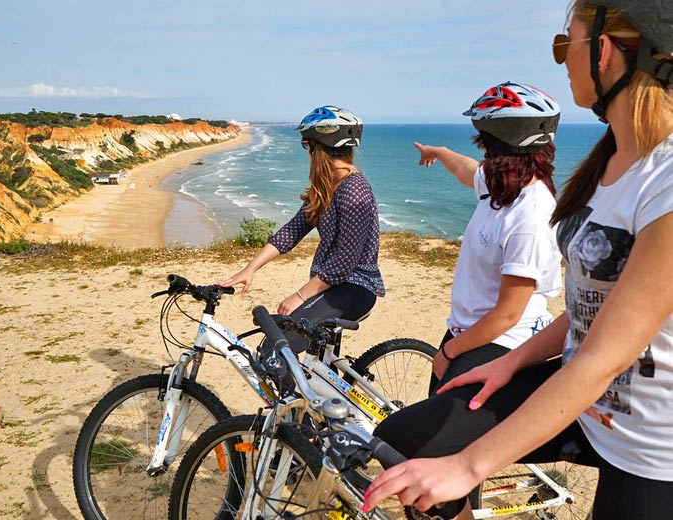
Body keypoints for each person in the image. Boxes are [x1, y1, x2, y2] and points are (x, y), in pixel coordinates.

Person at [364, 2, 673, 519]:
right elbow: (588, 309)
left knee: (447, 465)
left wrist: (467, 467)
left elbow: (608, 355)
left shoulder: (662, 181)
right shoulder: (610, 163)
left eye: (563, 45)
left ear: (601, 52)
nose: (561, 61)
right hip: (582, 402)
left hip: (647, 443)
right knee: (405, 438)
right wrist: (512, 362)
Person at [414, 82, 563, 392]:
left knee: (425, 437)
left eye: (485, 144)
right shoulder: (505, 184)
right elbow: (468, 171)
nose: (481, 151)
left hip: (501, 342)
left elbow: (507, 314)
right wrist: (439, 152)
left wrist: (448, 352)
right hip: (467, 332)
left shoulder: (530, 218)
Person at [220, 105, 385, 353]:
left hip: (354, 287)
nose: (306, 151)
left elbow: (345, 261)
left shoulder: (354, 191)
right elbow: (292, 231)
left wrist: (300, 295)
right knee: (316, 363)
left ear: (317, 148)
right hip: (331, 286)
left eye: (306, 144)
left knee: (275, 350)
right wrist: (250, 269)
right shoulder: (327, 186)